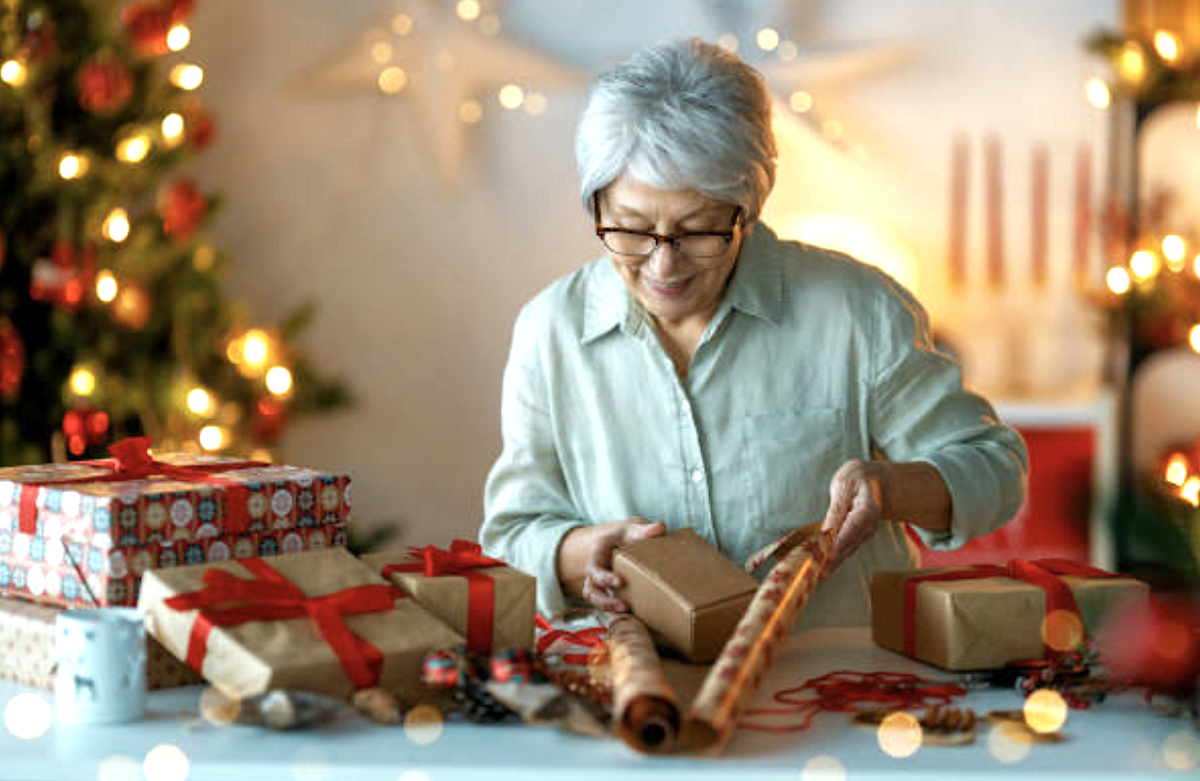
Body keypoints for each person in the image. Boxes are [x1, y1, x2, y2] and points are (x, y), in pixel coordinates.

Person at [479, 38, 1027, 627]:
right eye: (632, 229)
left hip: (844, 677)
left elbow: (995, 469)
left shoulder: (858, 310)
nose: (663, 265)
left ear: (749, 206)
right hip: (637, 685)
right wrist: (580, 556)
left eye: (697, 231)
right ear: (596, 208)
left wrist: (891, 487)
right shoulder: (550, 330)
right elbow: (510, 536)